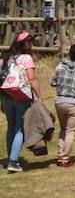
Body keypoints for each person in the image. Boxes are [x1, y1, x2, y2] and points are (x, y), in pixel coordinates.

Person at [49, 43, 75, 167]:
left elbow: (52, 82)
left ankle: (60, 154)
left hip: (60, 102)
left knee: (63, 129)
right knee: (70, 131)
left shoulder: (60, 66)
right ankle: (65, 158)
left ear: (70, 54)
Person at [2, 33, 39, 172]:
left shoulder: (6, 57)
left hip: (7, 96)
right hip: (22, 97)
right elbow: (32, 78)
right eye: (29, 43)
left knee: (10, 127)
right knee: (19, 129)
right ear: (23, 44)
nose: (31, 46)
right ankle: (13, 161)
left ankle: (9, 159)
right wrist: (39, 96)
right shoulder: (26, 58)